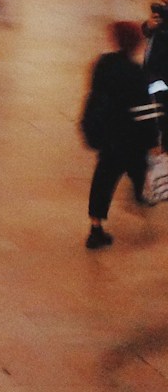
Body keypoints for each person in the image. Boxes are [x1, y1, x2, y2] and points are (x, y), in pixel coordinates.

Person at [80, 21, 162, 249]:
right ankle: (140, 195)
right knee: (139, 166)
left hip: (107, 134)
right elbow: (145, 111)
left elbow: (95, 94)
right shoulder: (136, 74)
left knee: (103, 180)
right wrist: (154, 141)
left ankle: (95, 228)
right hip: (130, 137)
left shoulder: (103, 63)